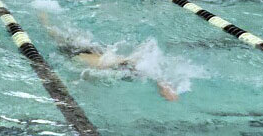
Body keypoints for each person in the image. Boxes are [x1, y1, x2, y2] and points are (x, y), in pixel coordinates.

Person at [38, 12, 179, 101]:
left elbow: (149, 69)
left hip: (99, 57)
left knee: (58, 35)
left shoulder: (126, 64)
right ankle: (43, 16)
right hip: (90, 57)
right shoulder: (104, 62)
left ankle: (44, 17)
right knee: (56, 36)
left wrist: (164, 86)